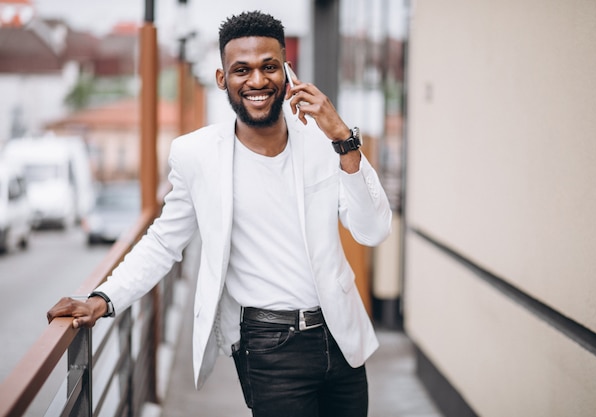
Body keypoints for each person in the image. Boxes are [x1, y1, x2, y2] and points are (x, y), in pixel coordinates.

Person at [47, 10, 391, 417]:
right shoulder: (196, 156)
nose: (258, 81)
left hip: (342, 338)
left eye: (269, 67)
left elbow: (372, 231)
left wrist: (344, 140)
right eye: (241, 70)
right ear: (221, 79)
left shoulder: (324, 142)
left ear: (287, 71)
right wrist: (104, 298)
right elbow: (163, 243)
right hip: (269, 348)